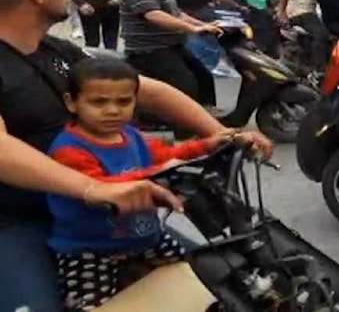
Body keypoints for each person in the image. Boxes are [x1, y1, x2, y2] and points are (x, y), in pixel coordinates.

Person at [0, 0, 273, 311]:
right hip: (19, 222)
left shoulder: (57, 51)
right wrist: (91, 187)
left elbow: (147, 91)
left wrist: (220, 133)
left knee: (225, 282)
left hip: (103, 212)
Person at [48, 57, 248, 310]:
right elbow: (99, 185)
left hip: (147, 238)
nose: (112, 110)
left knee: (207, 280)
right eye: (99, 102)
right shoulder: (69, 149)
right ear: (72, 102)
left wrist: (208, 145)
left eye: (124, 102)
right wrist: (156, 173)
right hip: (89, 250)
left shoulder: (130, 136)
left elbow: (166, 155)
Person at [120, 0, 222, 107]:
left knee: (204, 77)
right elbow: (154, 15)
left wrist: (203, 25)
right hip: (150, 49)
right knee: (185, 85)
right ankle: (185, 128)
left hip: (172, 45)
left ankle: (203, 117)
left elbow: (177, 14)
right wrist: (190, 29)